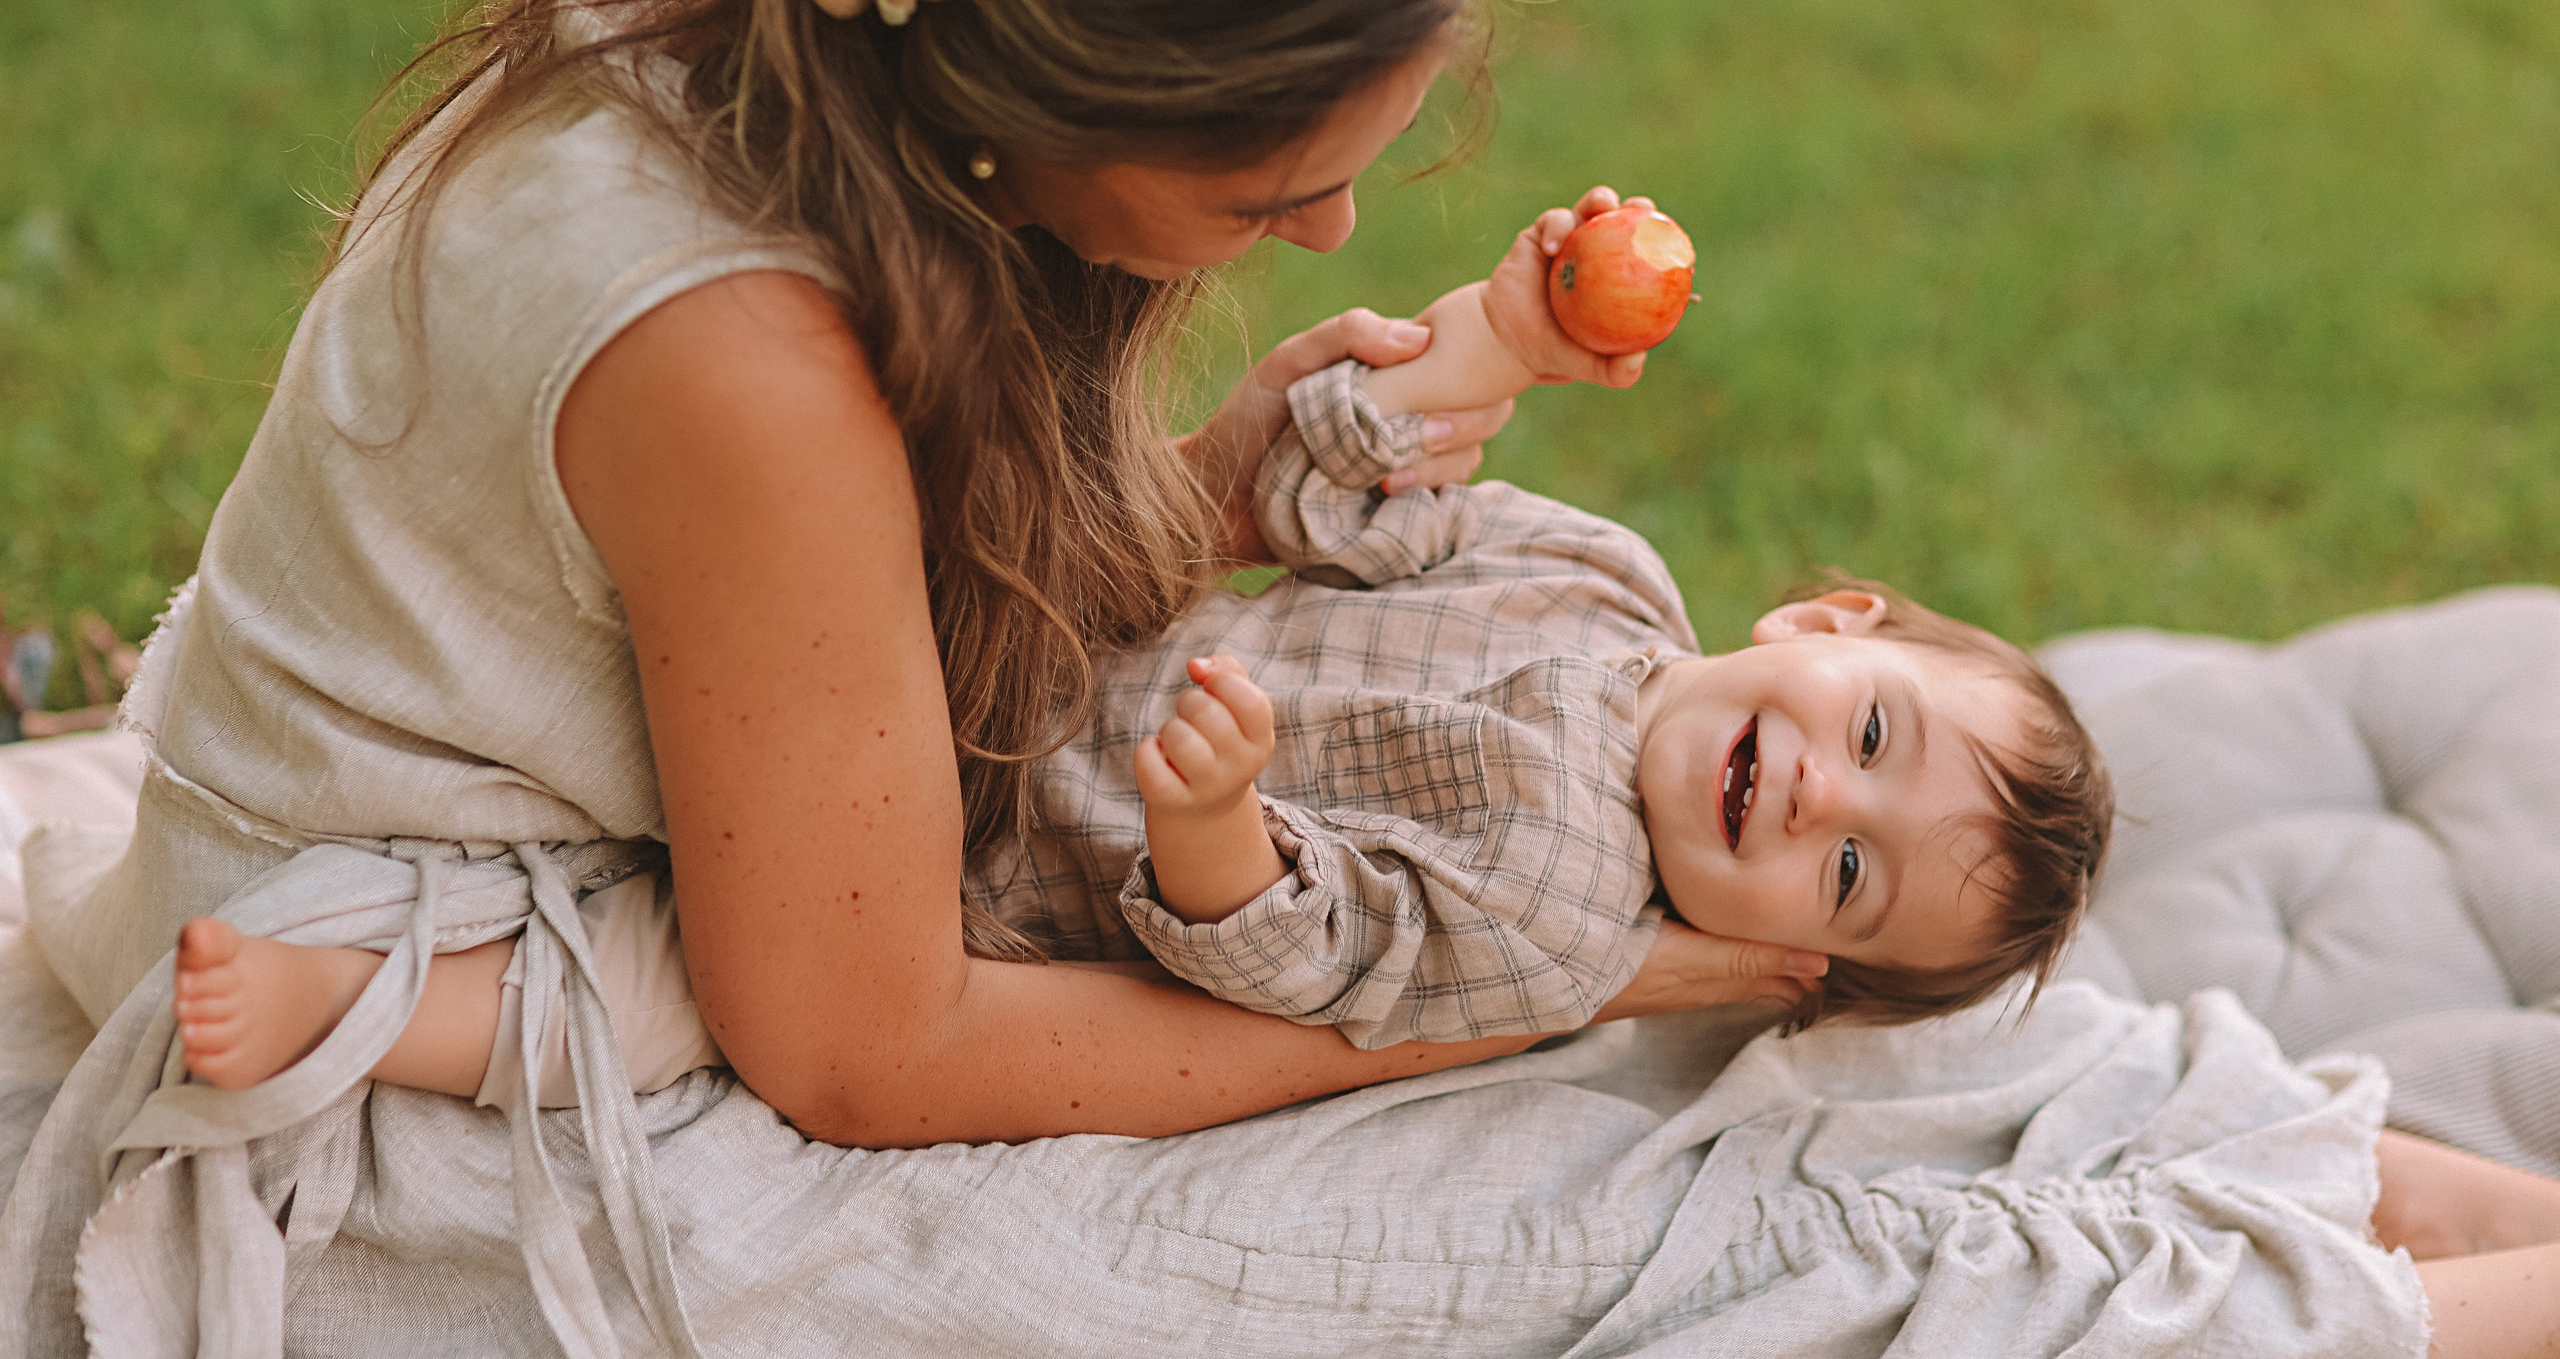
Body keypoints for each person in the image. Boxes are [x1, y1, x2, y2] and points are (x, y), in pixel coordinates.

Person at [14, 0, 2560, 1355]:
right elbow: (862, 1050)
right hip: (472, 1035)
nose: (1332, 235)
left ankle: (2352, 1178)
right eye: (1266, 192)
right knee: (1670, 1238)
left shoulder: (803, 56)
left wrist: (1220, 489)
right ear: (1048, 95)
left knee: (1790, 1001)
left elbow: (882, 651)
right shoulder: (741, 357)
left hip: (819, 870)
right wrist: (1526, 998)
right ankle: (2365, 1309)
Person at [167, 212, 2112, 1103]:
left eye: (1845, 872)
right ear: (1828, 620)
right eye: (1872, 737)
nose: (1818, 796)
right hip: (1035, 631)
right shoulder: (1604, 578)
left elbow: (1308, 951)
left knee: (663, 990)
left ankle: (363, 1004)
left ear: (1795, 946)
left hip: (976, 866)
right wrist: (1498, 346)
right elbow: (1352, 496)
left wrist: (1217, 824)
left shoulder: (1557, 919)